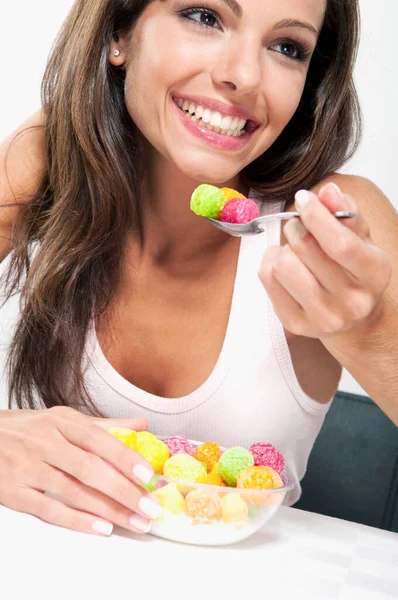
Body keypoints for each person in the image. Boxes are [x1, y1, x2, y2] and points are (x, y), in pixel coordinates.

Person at [0, 0, 397, 539]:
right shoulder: (46, 160)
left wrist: (369, 333)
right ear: (120, 32)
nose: (243, 76)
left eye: (287, 47)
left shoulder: (338, 221)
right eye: (205, 16)